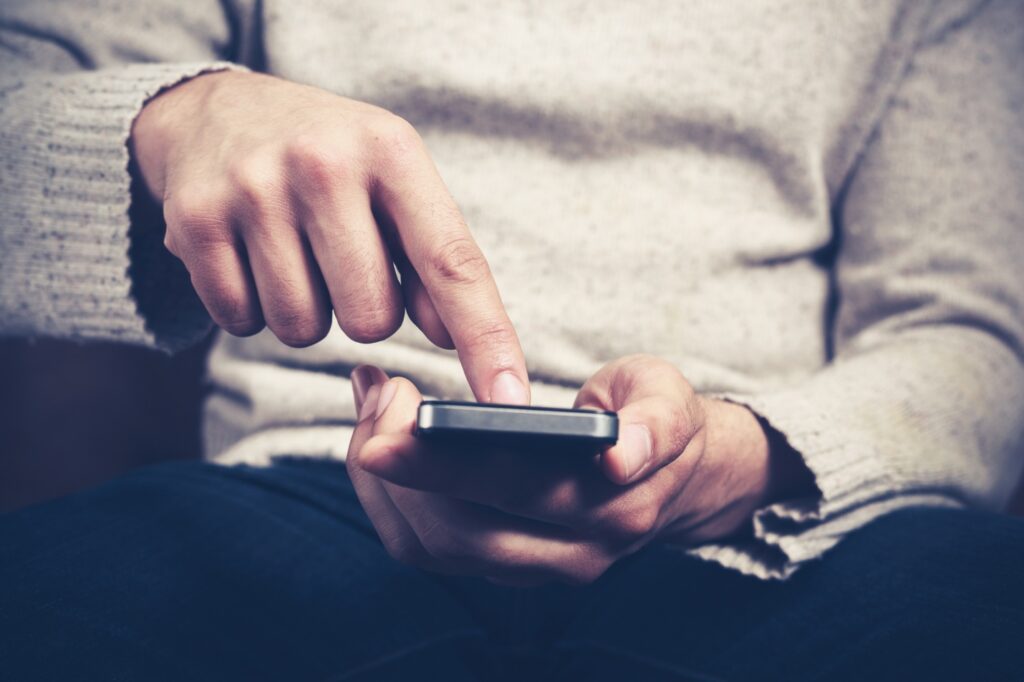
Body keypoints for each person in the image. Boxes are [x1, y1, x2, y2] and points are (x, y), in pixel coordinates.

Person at [1, 0, 1023, 679]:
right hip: (300, 479)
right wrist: (175, 119)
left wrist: (745, 460)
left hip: (772, 512)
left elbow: (966, 329)